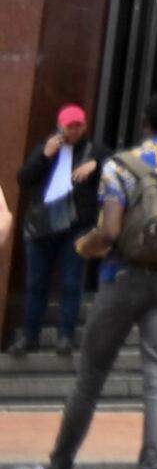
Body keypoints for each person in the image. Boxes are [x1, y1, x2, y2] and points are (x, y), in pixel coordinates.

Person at [10, 91, 157, 469]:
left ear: (144, 122)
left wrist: (86, 248)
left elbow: (110, 229)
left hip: (121, 276)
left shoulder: (120, 165)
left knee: (90, 379)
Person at [13, 105, 101, 356]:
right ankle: (30, 336)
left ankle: (65, 336)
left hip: (75, 226)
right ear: (60, 126)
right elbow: (23, 178)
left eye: (78, 125)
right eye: (69, 125)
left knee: (72, 281)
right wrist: (44, 155)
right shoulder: (47, 147)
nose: (74, 130)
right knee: (36, 282)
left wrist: (95, 165)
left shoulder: (94, 151)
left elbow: (112, 165)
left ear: (85, 126)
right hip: (42, 226)